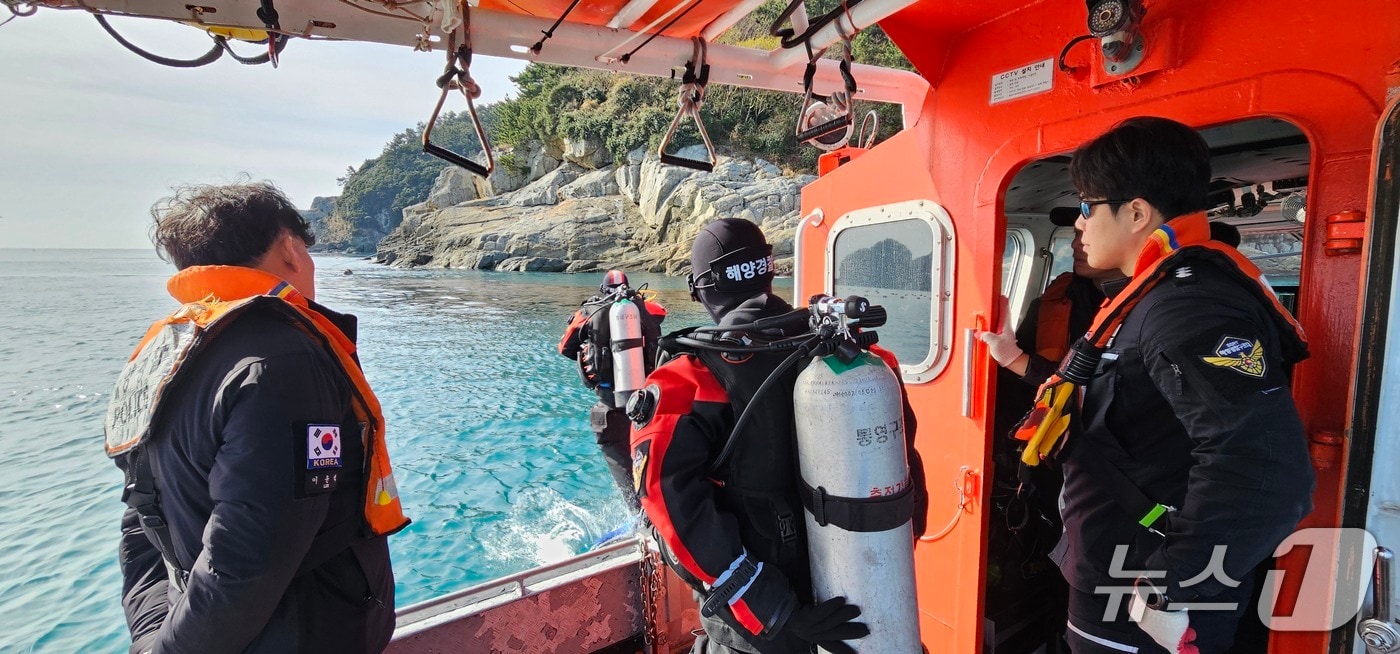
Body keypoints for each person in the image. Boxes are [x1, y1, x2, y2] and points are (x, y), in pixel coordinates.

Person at [1039, 117, 1313, 653]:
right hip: (1115, 575)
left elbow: (1266, 471)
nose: (1079, 225)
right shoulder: (1148, 296)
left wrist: (1171, 583)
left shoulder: (1186, 307)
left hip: (1143, 599)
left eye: (1086, 206)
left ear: (1136, 212)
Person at [103, 182, 407, 654]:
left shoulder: (162, 358)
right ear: (289, 248)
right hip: (305, 636)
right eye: (306, 250)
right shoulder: (285, 361)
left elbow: (142, 517)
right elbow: (247, 562)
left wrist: (152, 637)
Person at [628, 218, 925, 654]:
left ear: (704, 289)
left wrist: (778, 612)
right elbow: (903, 475)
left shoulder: (686, 382)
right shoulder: (867, 362)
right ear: (768, 269)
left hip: (763, 631)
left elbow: (673, 513)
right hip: (864, 608)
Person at [558, 269, 667, 512]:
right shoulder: (644, 308)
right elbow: (662, 314)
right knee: (653, 467)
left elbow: (565, 347)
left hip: (610, 409)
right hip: (649, 405)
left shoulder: (589, 311)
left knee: (626, 475)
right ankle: (661, 515)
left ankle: (640, 520)